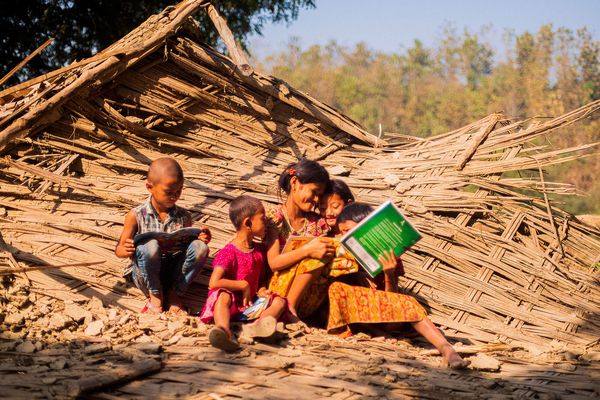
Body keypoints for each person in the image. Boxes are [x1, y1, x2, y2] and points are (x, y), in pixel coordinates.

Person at [328, 202, 470, 369]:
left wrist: (389, 273)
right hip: (357, 317)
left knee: (408, 302)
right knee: (337, 289)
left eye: (350, 231)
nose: (345, 235)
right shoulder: (339, 256)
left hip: (385, 316)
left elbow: (392, 302)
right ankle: (376, 333)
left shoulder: (388, 256)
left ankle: (447, 350)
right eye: (342, 232)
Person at [115, 157, 211, 315]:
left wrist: (201, 239)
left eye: (179, 191)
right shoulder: (136, 215)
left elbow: (188, 247)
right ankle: (156, 295)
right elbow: (119, 249)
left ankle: (174, 293)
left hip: (173, 273)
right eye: (169, 192)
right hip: (146, 275)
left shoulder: (183, 216)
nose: (174, 196)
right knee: (149, 246)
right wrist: (125, 249)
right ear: (149, 187)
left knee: (200, 248)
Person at [200, 195, 287, 352]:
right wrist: (242, 285)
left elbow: (260, 279)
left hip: (250, 306)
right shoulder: (228, 252)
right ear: (248, 223)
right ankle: (223, 331)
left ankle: (259, 326)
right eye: (262, 219)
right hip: (231, 304)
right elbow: (214, 283)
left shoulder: (259, 251)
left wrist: (261, 290)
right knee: (223, 296)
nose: (266, 223)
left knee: (279, 302)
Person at [265, 158, 335, 319]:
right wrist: (307, 250)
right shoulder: (275, 218)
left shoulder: (317, 223)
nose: (317, 200)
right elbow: (274, 263)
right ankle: (288, 309)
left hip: (309, 299)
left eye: (320, 196)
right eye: (314, 192)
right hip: (276, 292)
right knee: (314, 256)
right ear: (295, 183)